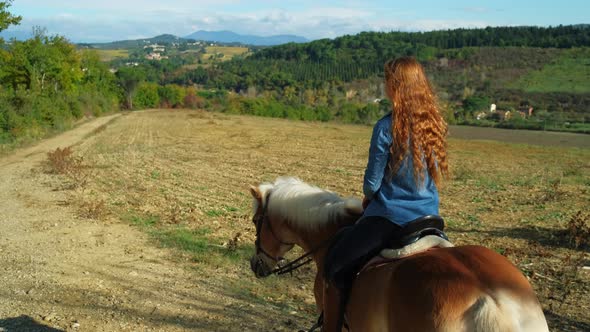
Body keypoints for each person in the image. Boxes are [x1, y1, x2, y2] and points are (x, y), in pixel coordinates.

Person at [322, 56, 449, 331]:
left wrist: (370, 197)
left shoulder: (385, 127)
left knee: (334, 266)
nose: (384, 86)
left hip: (391, 217)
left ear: (395, 85)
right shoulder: (434, 123)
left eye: (386, 81)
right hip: (430, 218)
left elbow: (372, 183)